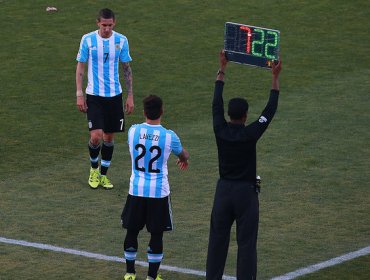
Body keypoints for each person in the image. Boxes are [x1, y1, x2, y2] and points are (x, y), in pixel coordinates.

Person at [206, 50, 282, 279]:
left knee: (217, 241)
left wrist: (222, 68)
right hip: (245, 194)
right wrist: (274, 77)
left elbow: (215, 102)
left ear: (228, 114)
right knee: (247, 244)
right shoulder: (251, 133)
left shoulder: (220, 129)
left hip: (223, 192)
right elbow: (269, 111)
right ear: (246, 115)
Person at [121, 95, 189, 280]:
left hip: (136, 190)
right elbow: (183, 153)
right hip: (158, 192)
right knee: (156, 234)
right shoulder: (169, 136)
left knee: (132, 231)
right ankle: (151, 277)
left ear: (144, 112)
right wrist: (183, 159)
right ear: (162, 111)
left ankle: (129, 273)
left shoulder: (133, 131)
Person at [75, 8, 134, 189]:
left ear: (114, 23)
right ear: (97, 23)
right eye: (103, 25)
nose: (107, 28)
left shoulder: (121, 40)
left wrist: (130, 95)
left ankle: (103, 175)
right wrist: (79, 94)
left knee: (109, 138)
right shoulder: (88, 39)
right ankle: (93, 169)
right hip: (94, 95)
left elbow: (126, 69)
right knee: (96, 136)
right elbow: (80, 68)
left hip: (114, 96)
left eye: (109, 25)